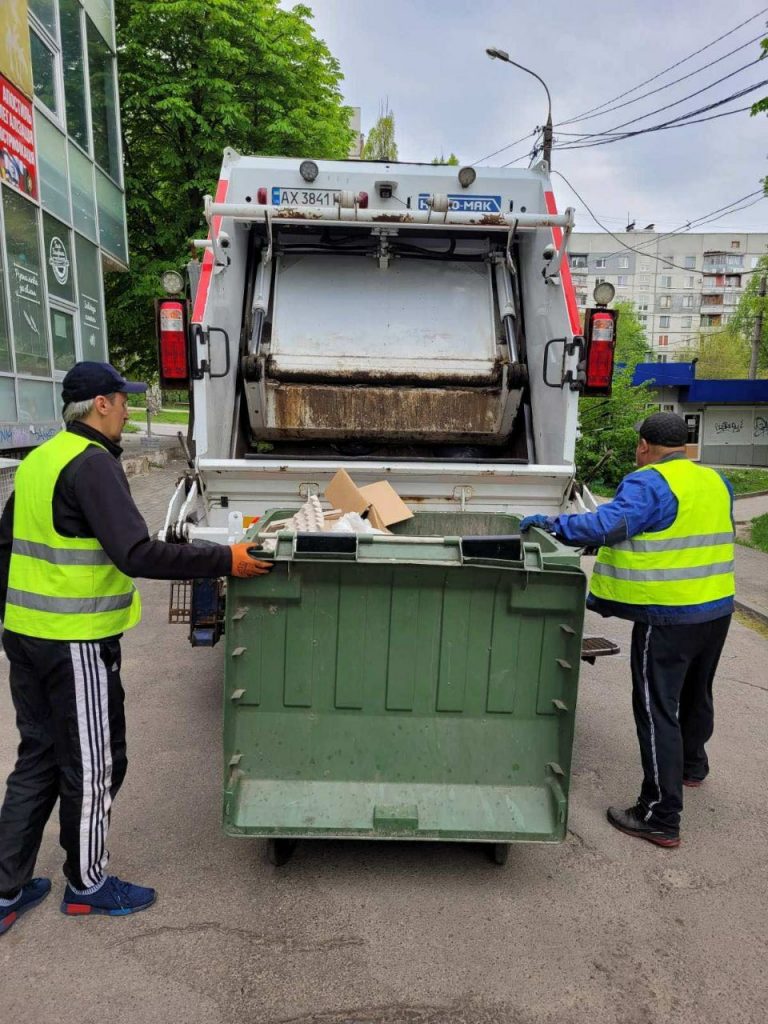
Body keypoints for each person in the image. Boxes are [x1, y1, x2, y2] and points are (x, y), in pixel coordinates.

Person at [0, 362, 271, 935]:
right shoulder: (93, 465)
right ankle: (88, 885)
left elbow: (7, 545)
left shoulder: (39, 461)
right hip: (74, 641)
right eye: (123, 401)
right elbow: (137, 554)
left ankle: (7, 889)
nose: (127, 410)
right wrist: (227, 559)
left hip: (26, 635)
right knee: (95, 765)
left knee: (39, 758)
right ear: (100, 404)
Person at [521, 412, 734, 849]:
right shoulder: (715, 480)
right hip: (716, 610)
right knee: (698, 692)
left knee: (658, 710)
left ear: (642, 445)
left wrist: (551, 523)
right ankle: (693, 766)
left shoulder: (649, 483)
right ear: (686, 447)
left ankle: (659, 815)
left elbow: (605, 526)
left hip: (669, 616)